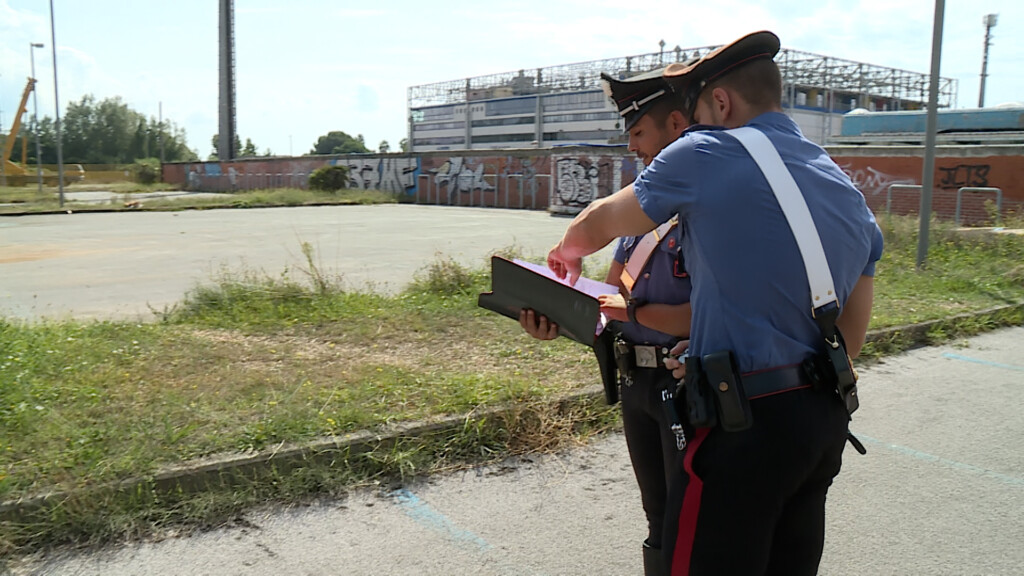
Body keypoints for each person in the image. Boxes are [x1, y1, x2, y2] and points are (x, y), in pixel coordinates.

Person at [546, 30, 884, 576]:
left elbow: (603, 220)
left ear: (721, 103)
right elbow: (851, 339)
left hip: (741, 424)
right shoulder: (846, 189)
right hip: (822, 420)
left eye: (697, 110)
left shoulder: (706, 152)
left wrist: (567, 251)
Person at [519, 64, 694, 576]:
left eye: (639, 132)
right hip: (636, 382)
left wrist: (632, 310)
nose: (633, 146)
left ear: (676, 126)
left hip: (683, 383)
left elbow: (707, 314)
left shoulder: (704, 212)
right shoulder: (636, 212)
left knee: (691, 519)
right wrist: (556, 316)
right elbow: (610, 296)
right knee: (657, 517)